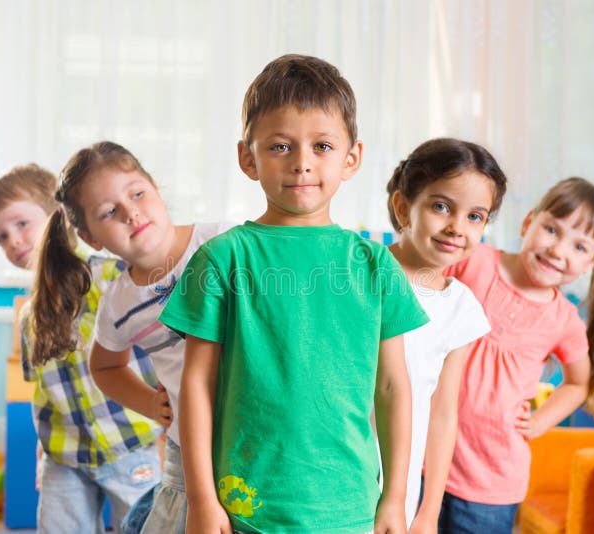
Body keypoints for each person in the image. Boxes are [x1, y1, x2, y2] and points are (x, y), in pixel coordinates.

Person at [160, 54, 429, 534]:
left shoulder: (375, 264)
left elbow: (392, 386)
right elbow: (196, 386)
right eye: (280, 146)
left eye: (322, 146)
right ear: (248, 158)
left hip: (349, 506)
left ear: (352, 158)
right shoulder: (223, 259)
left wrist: (396, 497)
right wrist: (202, 500)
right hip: (246, 505)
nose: (302, 163)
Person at [33, 140, 229, 534]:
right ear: (91, 238)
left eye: (137, 193)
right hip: (185, 448)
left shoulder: (223, 242)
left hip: (256, 428)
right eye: (109, 211)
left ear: (155, 188)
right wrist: (149, 403)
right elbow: (104, 366)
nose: (131, 212)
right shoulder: (119, 302)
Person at [0, 163, 161, 534]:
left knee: (152, 527)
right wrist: (43, 450)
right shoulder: (30, 313)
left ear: (59, 216)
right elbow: (42, 389)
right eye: (0, 236)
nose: (12, 241)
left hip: (132, 443)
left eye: (21, 224)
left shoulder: (114, 278)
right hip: (65, 456)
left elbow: (159, 354)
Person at [439, 177, 594, 533]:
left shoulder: (563, 321)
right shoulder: (474, 262)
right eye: (552, 230)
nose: (558, 250)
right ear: (528, 223)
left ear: (591, 264)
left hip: (492, 481)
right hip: (422, 457)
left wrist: (540, 422)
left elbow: (577, 382)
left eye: (580, 247)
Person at [385, 138, 508, 531]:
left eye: (476, 216)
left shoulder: (461, 308)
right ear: (403, 207)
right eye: (441, 206)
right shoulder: (358, 273)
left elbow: (442, 414)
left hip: (400, 491)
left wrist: (428, 510)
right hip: (331, 475)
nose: (457, 227)